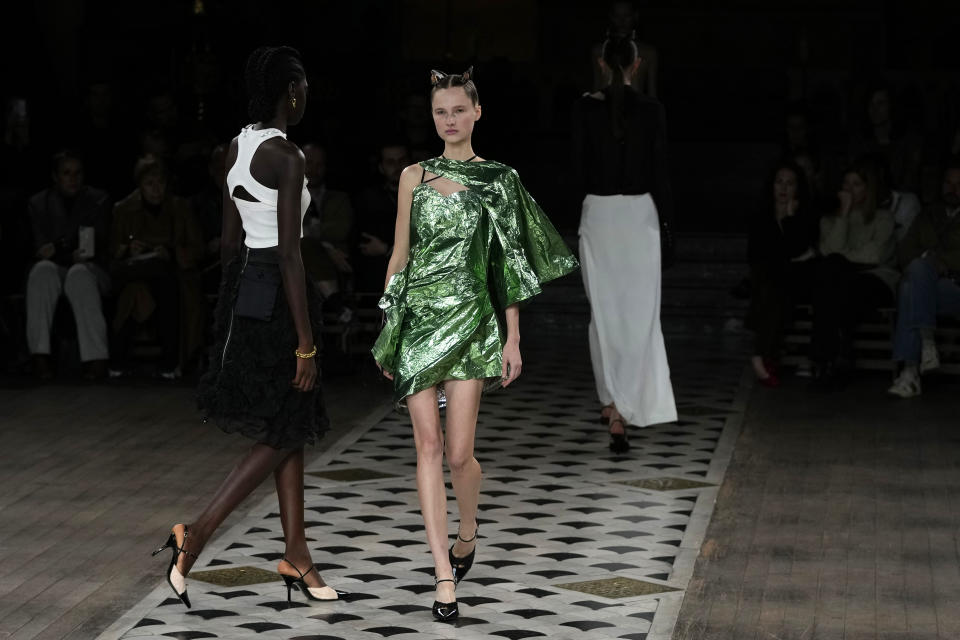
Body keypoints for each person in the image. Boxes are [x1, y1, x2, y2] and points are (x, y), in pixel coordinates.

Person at [372, 67, 577, 622]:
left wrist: (513, 337)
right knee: (428, 449)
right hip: (417, 322)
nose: (450, 119)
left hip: (472, 323)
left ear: (477, 113)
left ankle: (468, 531)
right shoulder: (412, 175)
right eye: (441, 111)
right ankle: (443, 575)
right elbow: (399, 256)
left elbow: (507, 263)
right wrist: (390, 327)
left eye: (459, 109)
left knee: (460, 454)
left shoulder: (500, 179)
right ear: (432, 117)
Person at [156, 46, 350, 609]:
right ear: (291, 91)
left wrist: (238, 306)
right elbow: (290, 254)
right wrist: (306, 345)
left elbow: (227, 242)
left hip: (246, 291)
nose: (308, 93)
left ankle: (298, 555)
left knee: (289, 426)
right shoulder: (288, 156)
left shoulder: (234, 147)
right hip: (283, 295)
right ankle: (194, 536)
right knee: (282, 427)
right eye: (305, 84)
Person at [572, 34, 677, 453]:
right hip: (638, 217)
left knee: (605, 314)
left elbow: (576, 171)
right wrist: (669, 227)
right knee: (637, 319)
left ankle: (614, 403)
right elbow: (661, 174)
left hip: (600, 215)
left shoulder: (584, 109)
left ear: (601, 63)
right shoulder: (652, 110)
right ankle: (618, 405)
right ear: (636, 66)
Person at [110, 155, 203, 377]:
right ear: (140, 185)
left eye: (160, 183)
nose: (156, 189)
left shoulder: (180, 207)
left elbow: (197, 248)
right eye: (149, 184)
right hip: (136, 274)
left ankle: (170, 361)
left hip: (175, 274)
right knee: (134, 292)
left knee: (167, 287)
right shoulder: (123, 209)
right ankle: (121, 360)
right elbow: (112, 249)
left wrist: (171, 253)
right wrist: (129, 249)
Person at [25, 150, 112, 380]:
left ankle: (96, 359)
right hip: (57, 266)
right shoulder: (38, 204)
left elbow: (98, 242)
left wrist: (59, 248)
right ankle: (39, 357)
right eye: (66, 173)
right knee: (41, 272)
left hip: (91, 268)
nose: (73, 178)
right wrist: (65, 249)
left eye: (77, 173)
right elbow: (41, 249)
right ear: (55, 176)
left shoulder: (97, 199)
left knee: (79, 274)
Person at [811, 159, 897, 387]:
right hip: (840, 281)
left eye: (856, 184)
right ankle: (835, 355)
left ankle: (825, 360)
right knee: (831, 275)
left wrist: (841, 258)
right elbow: (828, 253)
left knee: (833, 276)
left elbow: (873, 256)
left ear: (868, 189)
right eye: (846, 183)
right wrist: (844, 216)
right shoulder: (830, 221)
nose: (849, 189)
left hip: (876, 280)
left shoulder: (883, 218)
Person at [887, 160, 960, 397]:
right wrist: (927, 263)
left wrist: (939, 262)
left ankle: (910, 373)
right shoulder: (927, 215)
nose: (953, 189)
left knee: (911, 286)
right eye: (949, 183)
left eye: (959, 184)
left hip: (955, 287)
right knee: (912, 284)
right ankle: (922, 352)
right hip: (927, 289)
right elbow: (905, 250)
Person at [746, 160, 818, 386]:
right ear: (772, 186)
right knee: (771, 285)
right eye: (779, 182)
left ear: (798, 188)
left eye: (790, 183)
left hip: (797, 279)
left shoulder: (804, 215)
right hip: (770, 278)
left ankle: (762, 356)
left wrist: (789, 218)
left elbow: (796, 248)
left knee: (774, 284)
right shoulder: (761, 216)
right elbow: (757, 254)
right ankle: (765, 357)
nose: (784, 188)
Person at [352, 141, 409, 293]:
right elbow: (365, 241)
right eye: (390, 162)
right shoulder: (369, 199)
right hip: (378, 272)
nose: (397, 166)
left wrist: (387, 248)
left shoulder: (427, 196)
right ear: (381, 167)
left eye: (402, 161)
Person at [300, 142, 354, 302]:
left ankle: (336, 305)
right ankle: (338, 305)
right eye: (309, 163)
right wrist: (326, 247)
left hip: (337, 264)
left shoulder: (339, 199)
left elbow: (340, 230)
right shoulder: (286, 200)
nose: (313, 170)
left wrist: (308, 232)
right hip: (298, 263)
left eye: (319, 164)